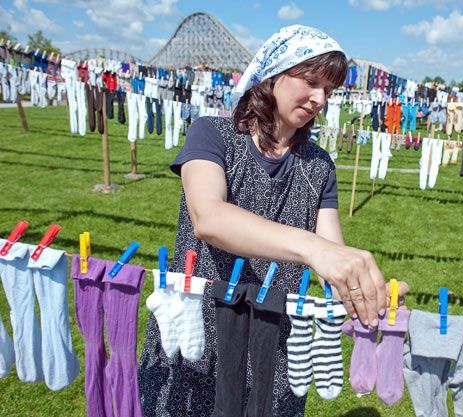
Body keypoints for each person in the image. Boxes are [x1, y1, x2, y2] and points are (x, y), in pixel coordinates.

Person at [138, 25, 407, 416]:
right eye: (312, 82)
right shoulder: (211, 135)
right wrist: (313, 249)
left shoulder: (318, 166)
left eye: (328, 92)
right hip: (195, 334)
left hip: (276, 346)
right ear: (274, 74)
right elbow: (209, 218)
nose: (319, 99)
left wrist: (367, 291)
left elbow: (333, 256)